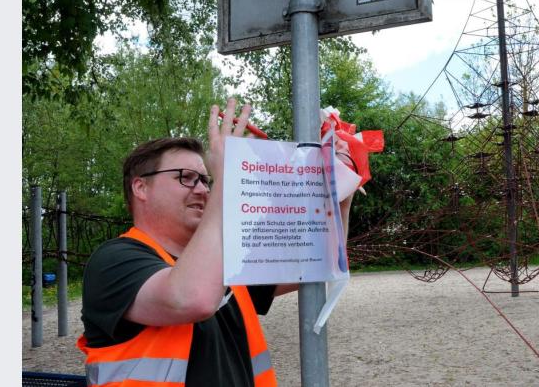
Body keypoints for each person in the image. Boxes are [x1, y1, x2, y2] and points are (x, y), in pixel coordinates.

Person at [78, 99, 354, 386]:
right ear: (141, 187)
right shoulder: (113, 261)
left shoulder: (225, 256)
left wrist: (339, 200)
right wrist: (230, 178)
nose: (202, 189)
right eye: (186, 178)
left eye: (206, 180)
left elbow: (316, 264)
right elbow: (192, 299)